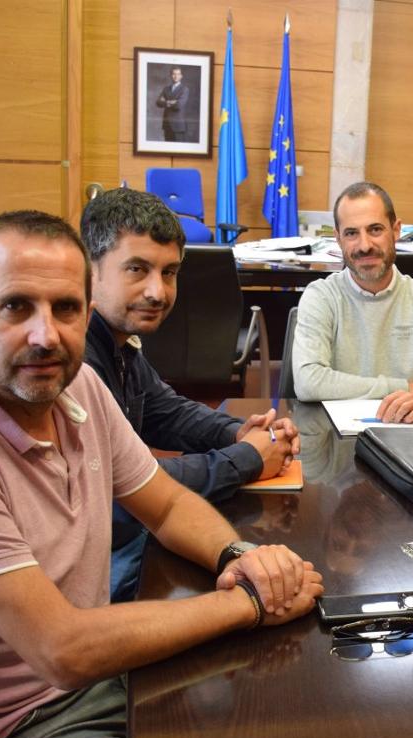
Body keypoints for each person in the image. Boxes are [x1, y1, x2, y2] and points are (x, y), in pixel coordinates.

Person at [0, 211, 324, 738]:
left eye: (66, 309)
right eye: (16, 307)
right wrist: (250, 602)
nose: (46, 335)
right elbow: (63, 649)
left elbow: (168, 504)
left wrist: (240, 557)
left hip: (99, 686)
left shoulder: (77, 388)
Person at [81, 188, 299, 602]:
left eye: (168, 273)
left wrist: (238, 432)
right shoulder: (76, 361)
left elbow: (164, 410)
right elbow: (130, 487)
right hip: (99, 568)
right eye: (137, 269)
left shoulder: (116, 340)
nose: (158, 292)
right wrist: (249, 458)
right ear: (90, 271)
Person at [291, 181, 413, 423]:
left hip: (406, 434)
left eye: (375, 229)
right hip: (332, 439)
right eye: (351, 233)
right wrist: (402, 386)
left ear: (396, 230)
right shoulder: (321, 296)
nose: (364, 245)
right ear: (338, 239)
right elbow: (309, 382)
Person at [156, 67, 189, 142]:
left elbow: (179, 105)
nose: (176, 76)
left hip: (178, 126)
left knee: (178, 151)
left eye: (178, 74)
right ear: (171, 75)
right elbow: (158, 102)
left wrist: (165, 101)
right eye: (174, 74)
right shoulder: (166, 89)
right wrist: (170, 102)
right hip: (167, 125)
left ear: (181, 76)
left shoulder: (184, 89)